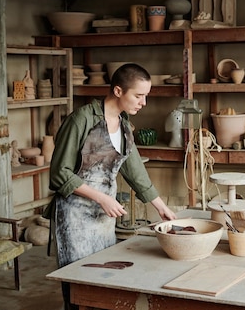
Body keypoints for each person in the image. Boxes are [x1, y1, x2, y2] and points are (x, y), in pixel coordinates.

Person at [44, 63, 177, 310]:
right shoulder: (81, 119)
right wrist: (101, 198)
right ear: (118, 91)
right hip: (76, 216)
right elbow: (59, 174)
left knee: (104, 276)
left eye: (146, 96)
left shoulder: (124, 125)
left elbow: (134, 169)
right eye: (138, 95)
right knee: (78, 281)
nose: (143, 102)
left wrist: (160, 207)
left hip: (105, 216)